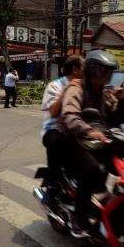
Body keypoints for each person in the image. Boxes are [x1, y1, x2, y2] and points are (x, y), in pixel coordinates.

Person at [58, 50, 124, 237]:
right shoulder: (77, 89)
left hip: (97, 141)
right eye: (101, 71)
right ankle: (78, 218)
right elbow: (69, 116)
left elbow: (114, 115)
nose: (105, 76)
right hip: (75, 140)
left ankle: (112, 201)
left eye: (108, 72)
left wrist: (119, 100)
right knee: (92, 170)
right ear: (90, 71)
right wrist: (90, 131)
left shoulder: (104, 92)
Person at [40, 55, 84, 187]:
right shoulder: (55, 86)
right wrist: (67, 89)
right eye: (84, 67)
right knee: (55, 141)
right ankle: (53, 185)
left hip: (77, 128)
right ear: (75, 69)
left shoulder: (85, 86)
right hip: (55, 129)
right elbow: (53, 112)